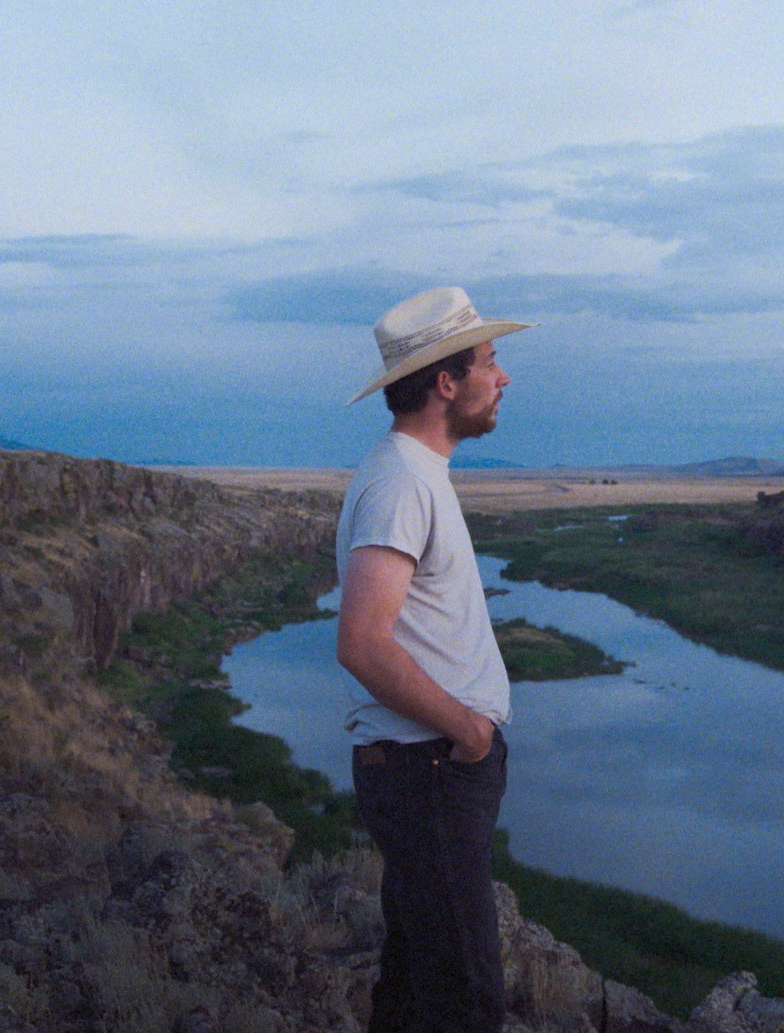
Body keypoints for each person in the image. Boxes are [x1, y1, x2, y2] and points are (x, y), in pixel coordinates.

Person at [334, 286, 532, 1033]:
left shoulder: (415, 473)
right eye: (491, 360)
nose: (503, 377)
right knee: (465, 998)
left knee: (418, 982)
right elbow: (361, 641)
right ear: (446, 382)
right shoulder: (399, 484)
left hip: (432, 765)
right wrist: (468, 731)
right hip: (430, 768)